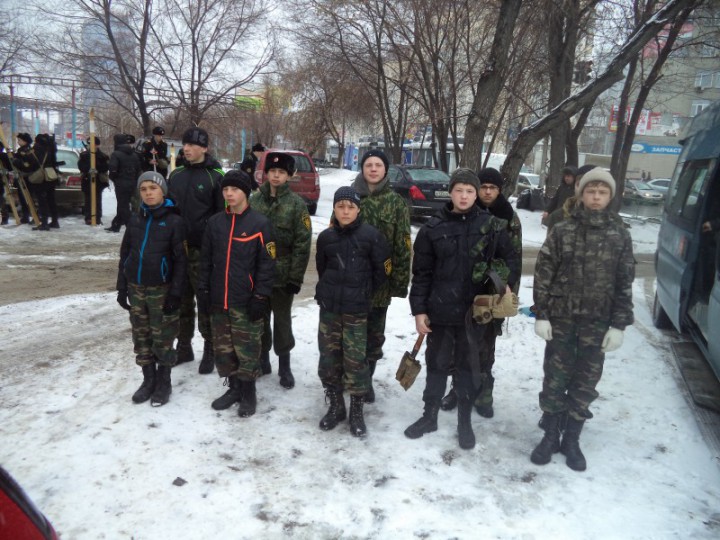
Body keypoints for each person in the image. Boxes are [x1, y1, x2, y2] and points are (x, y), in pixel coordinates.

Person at [404, 168, 519, 450]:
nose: (464, 196)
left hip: (475, 315)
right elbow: (421, 274)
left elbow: (511, 260)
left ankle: (464, 422)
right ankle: (429, 416)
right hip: (441, 312)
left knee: (468, 369)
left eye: (470, 191)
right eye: (459, 190)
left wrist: (501, 282)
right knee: (437, 365)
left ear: (476, 194)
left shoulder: (492, 227)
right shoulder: (433, 229)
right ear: (451, 192)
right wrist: (419, 311)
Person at [531, 167, 635, 471]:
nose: (596, 197)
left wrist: (619, 325)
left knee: (585, 383)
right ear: (581, 194)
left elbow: (624, 281)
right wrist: (542, 314)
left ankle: (572, 440)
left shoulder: (619, 234)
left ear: (610, 196)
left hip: (597, 324)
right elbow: (544, 273)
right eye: (591, 191)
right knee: (555, 379)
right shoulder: (563, 230)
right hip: (562, 322)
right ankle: (550, 436)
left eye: (602, 192)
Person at [440, 167, 522, 418]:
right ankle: (457, 390)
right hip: (461, 292)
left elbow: (515, 259)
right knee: (457, 346)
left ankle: (484, 394)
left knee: (485, 348)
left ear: (499, 190)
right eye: (483, 187)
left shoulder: (508, 217)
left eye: (492, 188)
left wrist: (507, 294)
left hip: (491, 294)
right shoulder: (462, 211)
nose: (487, 192)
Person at [198, 170, 275, 417]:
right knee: (225, 349)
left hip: (245, 301)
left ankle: (248, 393)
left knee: (247, 349)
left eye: (234, 189)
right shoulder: (215, 223)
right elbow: (205, 260)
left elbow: (267, 265)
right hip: (219, 300)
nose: (229, 194)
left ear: (246, 192)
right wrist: (204, 290)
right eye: (225, 189)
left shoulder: (260, 224)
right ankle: (233, 388)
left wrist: (260, 297)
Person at [315, 186, 390, 437]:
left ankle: (356, 411)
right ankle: (336, 406)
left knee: (356, 362)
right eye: (340, 206)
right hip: (329, 311)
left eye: (350, 207)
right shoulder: (326, 238)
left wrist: (362, 292)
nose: (345, 211)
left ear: (358, 209)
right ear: (334, 209)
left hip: (356, 312)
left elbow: (381, 272)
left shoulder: (372, 237)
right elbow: (322, 268)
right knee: (329, 359)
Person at [116, 171, 187, 407]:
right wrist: (122, 287)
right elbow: (125, 253)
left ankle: (164, 382)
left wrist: (175, 293)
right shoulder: (135, 219)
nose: (148, 193)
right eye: (144, 189)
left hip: (161, 289)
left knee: (163, 337)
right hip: (136, 288)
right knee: (141, 335)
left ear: (162, 191)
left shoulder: (174, 221)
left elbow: (181, 261)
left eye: (153, 188)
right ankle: (148, 380)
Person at [349, 149, 411, 404]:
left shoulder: (396, 203)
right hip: (351, 280)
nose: (373, 169)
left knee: (374, 337)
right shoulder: (350, 196)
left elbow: (403, 244)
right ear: (362, 169)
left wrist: (398, 283)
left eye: (378, 165)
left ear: (385, 170)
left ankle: (366, 381)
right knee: (349, 335)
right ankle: (350, 377)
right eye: (368, 165)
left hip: (380, 284)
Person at [249, 151, 312, 389]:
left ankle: (284, 366)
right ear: (266, 173)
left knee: (282, 321)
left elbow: (302, 243)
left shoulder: (296, 205)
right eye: (272, 171)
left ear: (289, 175)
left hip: (283, 273)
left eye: (281, 172)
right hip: (258, 272)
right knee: (260, 318)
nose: (276, 176)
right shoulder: (255, 201)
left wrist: (295, 277)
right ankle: (263, 360)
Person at [167, 127, 225, 373]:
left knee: (205, 301)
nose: (187, 149)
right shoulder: (176, 175)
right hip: (178, 250)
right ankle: (184, 346)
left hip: (203, 252)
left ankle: (210, 348)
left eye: (192, 145)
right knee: (181, 300)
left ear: (204, 148)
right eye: (185, 144)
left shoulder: (216, 176)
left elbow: (221, 217)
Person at [543, 164, 597, 233]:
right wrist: (547, 211)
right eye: (565, 176)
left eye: (568, 176)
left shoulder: (577, 191)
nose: (566, 178)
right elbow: (554, 200)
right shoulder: (562, 188)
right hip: (560, 216)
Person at [106, 133, 142, 233]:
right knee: (123, 204)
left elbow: (112, 169)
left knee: (123, 206)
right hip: (132, 183)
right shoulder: (134, 155)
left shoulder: (116, 154)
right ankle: (116, 225)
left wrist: (115, 179)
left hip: (121, 183)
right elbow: (139, 170)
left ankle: (130, 226)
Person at [78, 136, 110, 225]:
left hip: (99, 181)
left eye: (93, 144)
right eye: (90, 144)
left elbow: (106, 167)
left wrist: (97, 168)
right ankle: (88, 217)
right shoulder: (84, 155)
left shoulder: (103, 156)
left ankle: (97, 217)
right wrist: (88, 168)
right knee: (88, 200)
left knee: (97, 199)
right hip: (87, 180)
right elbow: (81, 166)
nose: (91, 146)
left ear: (97, 145)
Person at [11, 133, 35, 225]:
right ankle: (26, 216)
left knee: (27, 198)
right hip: (23, 177)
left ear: (25, 141)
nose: (18, 142)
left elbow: (26, 165)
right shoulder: (23, 150)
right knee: (24, 198)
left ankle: (30, 216)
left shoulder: (26, 151)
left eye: (20, 140)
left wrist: (15, 161)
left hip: (26, 177)